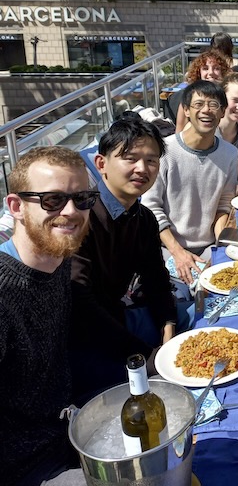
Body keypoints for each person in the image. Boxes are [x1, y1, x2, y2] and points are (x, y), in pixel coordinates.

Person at [69, 114, 190, 402]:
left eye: (151, 160)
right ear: (101, 164)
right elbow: (82, 305)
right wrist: (147, 356)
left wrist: (168, 327)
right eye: (130, 158)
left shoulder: (143, 217)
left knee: (187, 316)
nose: (142, 168)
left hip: (118, 316)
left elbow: (156, 278)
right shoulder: (80, 217)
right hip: (83, 339)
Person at [0, 147, 96, 485]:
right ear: (16, 207)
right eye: (52, 200)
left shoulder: (58, 253)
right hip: (24, 468)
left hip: (66, 427)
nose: (71, 212)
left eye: (82, 198)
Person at [142, 80, 238, 285]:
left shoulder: (230, 154)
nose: (206, 111)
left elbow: (224, 205)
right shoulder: (165, 151)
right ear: (185, 110)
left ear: (222, 112)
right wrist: (178, 252)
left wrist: (221, 247)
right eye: (198, 104)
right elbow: (150, 208)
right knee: (194, 290)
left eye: (213, 105)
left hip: (208, 246)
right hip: (167, 248)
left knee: (232, 286)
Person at [170, 48, 231, 131]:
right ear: (199, 72)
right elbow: (179, 130)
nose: (211, 72)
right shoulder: (190, 95)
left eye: (216, 68)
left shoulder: (229, 94)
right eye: (205, 68)